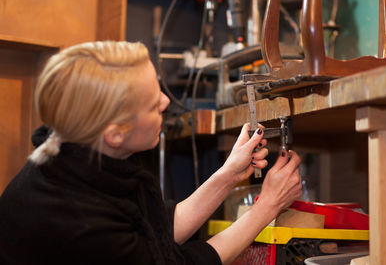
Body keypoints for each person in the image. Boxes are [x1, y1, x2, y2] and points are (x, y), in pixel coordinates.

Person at [0, 41, 302, 265]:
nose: (164, 102)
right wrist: (267, 208)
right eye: (150, 103)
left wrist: (228, 175)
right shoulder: (74, 220)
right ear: (115, 135)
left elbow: (155, 232)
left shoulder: (81, 157)